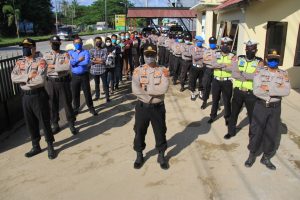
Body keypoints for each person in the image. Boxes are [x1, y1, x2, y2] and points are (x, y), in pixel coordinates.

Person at [245, 49, 290, 170]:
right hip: (261, 106)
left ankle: (266, 157)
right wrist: (276, 90)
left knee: (272, 133)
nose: (273, 61)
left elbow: (286, 91)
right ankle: (252, 154)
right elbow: (257, 91)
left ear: (279, 60)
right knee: (256, 131)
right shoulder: (259, 72)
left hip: (275, 108)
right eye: (271, 59)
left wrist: (268, 89)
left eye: (275, 59)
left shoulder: (283, 74)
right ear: (266, 60)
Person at [11, 38, 56, 159]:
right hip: (25, 97)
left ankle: (50, 145)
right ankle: (36, 145)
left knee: (44, 121)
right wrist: (28, 77)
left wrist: (23, 81)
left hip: (38, 95)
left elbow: (40, 80)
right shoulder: (19, 62)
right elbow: (13, 77)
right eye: (23, 47)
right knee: (30, 123)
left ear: (34, 48)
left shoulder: (41, 61)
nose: (25, 49)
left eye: (27, 47)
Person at [132, 44, 170, 170]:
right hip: (142, 107)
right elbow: (135, 89)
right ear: (143, 56)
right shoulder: (138, 70)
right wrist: (150, 96)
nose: (149, 57)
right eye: (147, 55)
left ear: (156, 55)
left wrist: (147, 91)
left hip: (158, 107)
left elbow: (164, 88)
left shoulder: (163, 70)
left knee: (160, 131)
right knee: (139, 131)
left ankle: (161, 155)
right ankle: (139, 154)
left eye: (152, 55)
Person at [224, 40, 264, 139]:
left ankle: (252, 134)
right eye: (248, 49)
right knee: (234, 113)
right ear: (245, 49)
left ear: (256, 50)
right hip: (238, 91)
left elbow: (257, 76)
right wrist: (247, 75)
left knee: (252, 116)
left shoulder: (260, 61)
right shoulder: (239, 58)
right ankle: (231, 132)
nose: (249, 51)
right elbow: (234, 73)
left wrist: (241, 74)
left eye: (252, 49)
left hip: (251, 93)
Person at [44, 36, 77, 135]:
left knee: (67, 103)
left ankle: (71, 123)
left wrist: (52, 66)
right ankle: (55, 124)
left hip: (64, 82)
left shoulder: (65, 54)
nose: (55, 44)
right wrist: (59, 66)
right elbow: (44, 68)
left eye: (57, 43)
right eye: (53, 43)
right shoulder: (45, 55)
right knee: (52, 104)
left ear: (60, 43)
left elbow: (67, 66)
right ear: (50, 44)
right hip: (51, 82)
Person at [208, 37, 235, 125]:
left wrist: (219, 65)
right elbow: (212, 65)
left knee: (227, 100)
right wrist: (225, 65)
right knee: (215, 99)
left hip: (227, 81)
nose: (225, 46)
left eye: (227, 44)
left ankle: (227, 117)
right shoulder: (216, 54)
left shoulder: (233, 56)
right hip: (216, 80)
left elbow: (233, 68)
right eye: (223, 44)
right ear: (221, 44)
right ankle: (212, 116)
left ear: (230, 46)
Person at [69, 37, 97, 116]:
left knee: (87, 92)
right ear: (74, 44)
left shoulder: (85, 52)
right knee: (75, 93)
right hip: (74, 76)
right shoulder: (70, 52)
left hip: (84, 75)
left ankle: (91, 108)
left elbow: (86, 62)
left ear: (82, 44)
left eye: (79, 43)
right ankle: (76, 108)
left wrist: (75, 62)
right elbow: (71, 63)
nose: (78, 44)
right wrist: (79, 60)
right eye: (76, 43)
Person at [89, 36, 110, 103]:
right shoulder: (91, 50)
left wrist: (95, 59)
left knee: (105, 84)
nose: (98, 42)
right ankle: (97, 96)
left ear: (101, 42)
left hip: (102, 70)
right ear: (94, 42)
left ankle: (107, 97)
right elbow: (90, 60)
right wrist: (99, 60)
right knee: (96, 84)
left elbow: (104, 60)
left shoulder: (104, 50)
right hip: (94, 70)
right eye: (97, 41)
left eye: (99, 41)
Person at [201, 36, 218, 109]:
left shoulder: (219, 51)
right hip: (208, 70)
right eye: (211, 43)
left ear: (216, 43)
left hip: (216, 70)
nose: (212, 44)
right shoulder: (206, 51)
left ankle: (216, 103)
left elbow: (220, 61)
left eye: (213, 43)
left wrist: (210, 59)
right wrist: (214, 60)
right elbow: (204, 60)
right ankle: (204, 101)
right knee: (206, 86)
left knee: (216, 88)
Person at [190, 36, 206, 100]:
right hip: (194, 67)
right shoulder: (193, 48)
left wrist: (200, 56)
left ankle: (200, 92)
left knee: (201, 81)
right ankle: (193, 92)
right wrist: (203, 55)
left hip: (202, 67)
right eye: (198, 41)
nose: (199, 43)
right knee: (193, 80)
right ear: (196, 41)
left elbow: (207, 57)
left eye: (200, 42)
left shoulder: (205, 49)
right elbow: (195, 57)